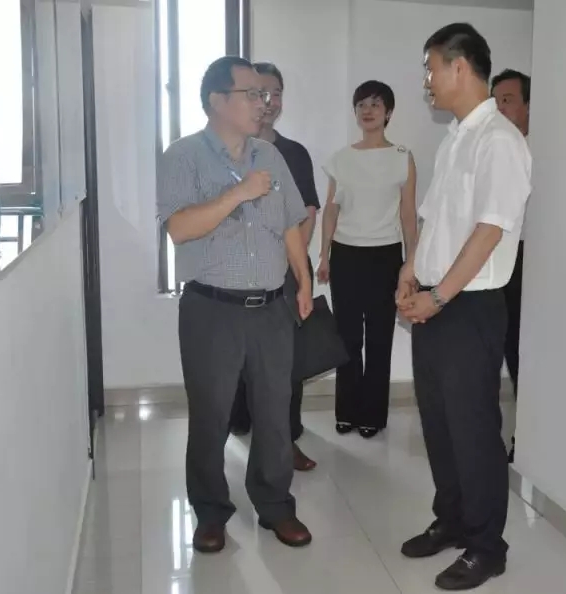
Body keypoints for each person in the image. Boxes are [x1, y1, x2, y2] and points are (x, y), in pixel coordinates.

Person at [156, 56, 314, 554]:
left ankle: (275, 505)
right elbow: (179, 228)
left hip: (270, 306)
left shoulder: (271, 157)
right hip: (211, 309)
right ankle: (210, 512)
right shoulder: (182, 156)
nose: (263, 103)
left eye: (265, 94)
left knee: (274, 414)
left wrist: (303, 280)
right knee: (212, 416)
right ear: (217, 101)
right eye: (251, 94)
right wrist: (239, 193)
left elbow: (290, 223)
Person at [397, 24, 531, 591]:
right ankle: (451, 521)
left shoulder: (499, 140)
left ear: (459, 67)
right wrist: (410, 269)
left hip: (468, 306)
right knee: (439, 423)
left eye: (431, 68)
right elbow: (435, 219)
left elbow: (489, 232)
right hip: (438, 300)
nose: (427, 80)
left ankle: (486, 547)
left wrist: (438, 295)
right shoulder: (456, 137)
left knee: (473, 430)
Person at [228, 62, 320, 473]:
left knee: (287, 362)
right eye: (259, 92)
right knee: (238, 356)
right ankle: (241, 423)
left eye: (276, 93)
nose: (268, 102)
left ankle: (287, 438)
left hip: (284, 271)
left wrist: (293, 263)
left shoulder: (294, 153)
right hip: (237, 273)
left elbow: (307, 212)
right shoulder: (230, 149)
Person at [317, 80, 417, 439]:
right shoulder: (341, 159)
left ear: (388, 112)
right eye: (362, 104)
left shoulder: (402, 157)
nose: (368, 110)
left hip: (385, 256)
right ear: (355, 112)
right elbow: (331, 210)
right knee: (346, 337)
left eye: (375, 104)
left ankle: (373, 414)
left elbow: (408, 214)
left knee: (379, 337)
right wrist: (324, 255)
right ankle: (347, 411)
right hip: (345, 254)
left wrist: (411, 263)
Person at [491, 68, 531, 463]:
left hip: (529, 261)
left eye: (508, 100)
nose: (500, 108)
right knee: (494, 351)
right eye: (495, 101)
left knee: (523, 354)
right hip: (493, 262)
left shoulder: (538, 154)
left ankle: (527, 438)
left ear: (528, 107)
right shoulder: (492, 152)